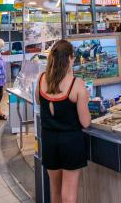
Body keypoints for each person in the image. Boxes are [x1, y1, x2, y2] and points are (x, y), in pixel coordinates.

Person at [36, 40, 90, 203]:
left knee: (55, 192)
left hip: (48, 140)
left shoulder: (41, 79)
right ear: (71, 58)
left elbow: (40, 102)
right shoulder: (77, 85)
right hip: (71, 142)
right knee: (69, 194)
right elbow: (85, 122)